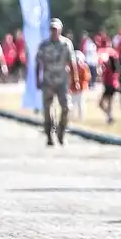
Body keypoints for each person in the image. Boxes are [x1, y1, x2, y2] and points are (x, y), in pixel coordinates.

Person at [36, 18, 77, 146]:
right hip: (48, 81)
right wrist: (38, 79)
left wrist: (75, 79)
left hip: (62, 82)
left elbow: (72, 63)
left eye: (56, 29)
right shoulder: (44, 45)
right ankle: (49, 135)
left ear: (60, 30)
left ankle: (61, 132)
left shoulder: (66, 44)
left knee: (66, 108)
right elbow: (38, 63)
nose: (53, 32)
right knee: (48, 110)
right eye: (52, 29)